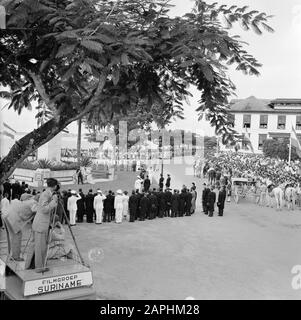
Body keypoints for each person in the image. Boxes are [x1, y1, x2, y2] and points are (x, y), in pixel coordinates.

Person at [27, 178, 59, 272]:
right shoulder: (45, 194)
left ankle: (29, 265)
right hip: (41, 225)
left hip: (38, 223)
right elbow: (44, 209)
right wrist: (54, 201)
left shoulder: (47, 193)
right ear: (55, 186)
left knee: (34, 246)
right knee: (40, 247)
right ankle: (39, 268)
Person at [3, 193, 38, 261]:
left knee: (13, 236)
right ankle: (15, 256)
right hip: (13, 218)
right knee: (17, 236)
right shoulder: (34, 202)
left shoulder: (29, 199)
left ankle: (12, 254)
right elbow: (35, 209)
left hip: (8, 214)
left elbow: (23, 196)